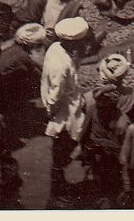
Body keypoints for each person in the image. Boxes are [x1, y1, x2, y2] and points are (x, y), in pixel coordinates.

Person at [41, 16, 90, 200]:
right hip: (63, 113)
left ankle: (58, 183)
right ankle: (57, 190)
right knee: (64, 149)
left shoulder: (56, 48)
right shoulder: (61, 65)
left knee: (61, 150)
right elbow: (55, 95)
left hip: (66, 107)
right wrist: (52, 114)